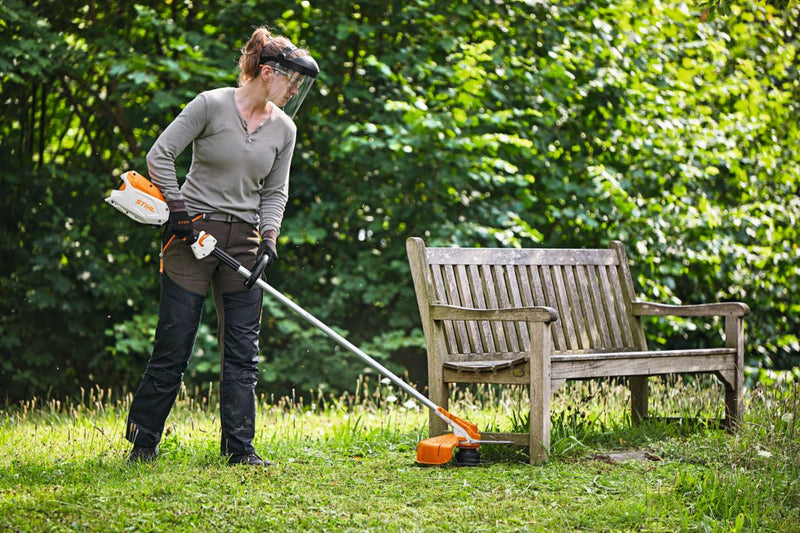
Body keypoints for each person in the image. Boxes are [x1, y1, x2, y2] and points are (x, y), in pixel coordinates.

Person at [124, 27, 319, 466]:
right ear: (268, 73)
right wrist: (179, 211)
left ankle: (240, 449)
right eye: (292, 80)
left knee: (243, 355)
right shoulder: (210, 105)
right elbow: (160, 157)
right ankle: (143, 442)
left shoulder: (284, 129)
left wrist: (269, 238)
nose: (295, 90)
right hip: (190, 236)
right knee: (174, 344)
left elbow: (275, 192)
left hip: (244, 243)